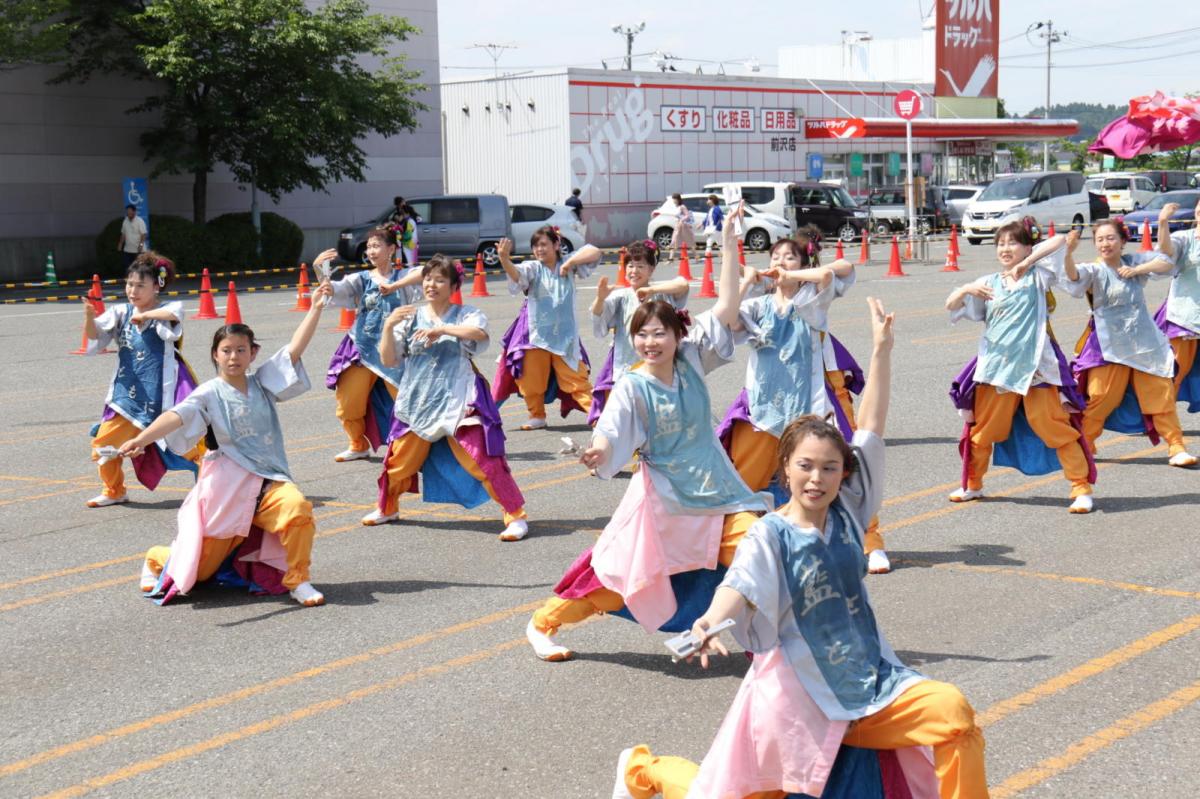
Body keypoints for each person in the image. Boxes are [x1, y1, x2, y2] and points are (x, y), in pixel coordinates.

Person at [612, 298, 990, 799]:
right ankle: (643, 771)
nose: (817, 478)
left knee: (955, 715)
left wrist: (881, 351)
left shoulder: (850, 511)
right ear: (785, 466)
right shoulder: (769, 534)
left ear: (843, 473)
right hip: (797, 699)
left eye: (829, 467)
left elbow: (872, 425)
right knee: (719, 792)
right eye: (806, 466)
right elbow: (738, 589)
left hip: (870, 683)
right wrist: (709, 621)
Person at [525, 204, 768, 662]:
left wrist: (731, 245)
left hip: (716, 488)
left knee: (759, 550)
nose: (649, 342)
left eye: (659, 333)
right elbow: (612, 430)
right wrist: (599, 450)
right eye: (641, 335)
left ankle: (770, 640)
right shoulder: (633, 384)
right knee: (621, 579)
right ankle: (544, 622)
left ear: (677, 335)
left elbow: (728, 304)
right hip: (665, 498)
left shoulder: (693, 359)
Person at [121, 282, 334, 608]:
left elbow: (294, 349)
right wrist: (139, 439)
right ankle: (155, 557)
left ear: (253, 353)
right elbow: (176, 417)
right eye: (226, 350)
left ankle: (299, 580)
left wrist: (317, 307)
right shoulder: (208, 392)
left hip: (268, 481)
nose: (233, 356)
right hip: (226, 488)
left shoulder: (263, 383)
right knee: (200, 569)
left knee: (298, 510)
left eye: (241, 350)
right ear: (215, 355)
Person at [717, 238, 891, 572]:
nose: (782, 262)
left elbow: (834, 273)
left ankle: (871, 544)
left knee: (840, 475)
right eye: (776, 257)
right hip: (762, 410)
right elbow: (727, 321)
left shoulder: (811, 300)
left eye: (790, 258)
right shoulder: (758, 306)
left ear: (803, 264)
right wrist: (747, 281)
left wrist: (795, 276)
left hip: (808, 410)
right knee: (737, 480)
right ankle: (728, 545)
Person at [362, 256, 531, 542]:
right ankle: (387, 507)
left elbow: (478, 334)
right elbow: (389, 359)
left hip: (459, 397)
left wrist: (442, 329)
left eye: (440, 279)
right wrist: (389, 326)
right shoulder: (411, 316)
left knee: (484, 459)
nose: (431, 284)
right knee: (398, 462)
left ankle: (515, 515)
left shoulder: (467, 313)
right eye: (428, 278)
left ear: (453, 285)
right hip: (419, 400)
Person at [945, 220, 1097, 512]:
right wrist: (966, 288)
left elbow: (1061, 240)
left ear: (1028, 247)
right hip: (997, 370)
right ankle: (973, 484)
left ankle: (1080, 487)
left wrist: (1025, 263)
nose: (1005, 249)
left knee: (1054, 427)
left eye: (1012, 242)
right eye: (1001, 244)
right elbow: (952, 306)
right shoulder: (988, 283)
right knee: (984, 432)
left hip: (1036, 369)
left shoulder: (1039, 275)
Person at [1062, 219, 1197, 467]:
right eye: (1100, 239)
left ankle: (1176, 447)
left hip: (1144, 342)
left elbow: (1166, 262)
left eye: (1111, 238)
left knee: (1161, 394)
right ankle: (1086, 444)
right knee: (1101, 397)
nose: (1105, 243)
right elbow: (1073, 277)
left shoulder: (1132, 261)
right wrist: (1068, 253)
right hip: (1108, 345)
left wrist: (1137, 271)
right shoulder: (1094, 270)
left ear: (1123, 241)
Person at [83, 252, 201, 507]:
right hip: (126, 398)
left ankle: (211, 488)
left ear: (156, 286)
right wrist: (89, 319)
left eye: (139, 285)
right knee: (103, 444)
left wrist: (146, 316)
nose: (132, 290)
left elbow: (174, 313)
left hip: (163, 396)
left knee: (193, 446)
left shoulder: (168, 310)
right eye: (129, 284)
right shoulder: (120, 312)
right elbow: (95, 338)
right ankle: (114, 490)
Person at [316, 228, 422, 462]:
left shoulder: (404, 277)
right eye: (369, 247)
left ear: (392, 249)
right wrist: (320, 273)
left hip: (396, 351)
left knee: (407, 402)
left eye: (377, 246)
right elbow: (335, 291)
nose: (371, 251)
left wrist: (395, 286)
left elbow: (428, 273)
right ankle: (357, 444)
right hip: (361, 349)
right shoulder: (361, 279)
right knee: (348, 403)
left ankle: (415, 448)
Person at [493, 226, 601, 430]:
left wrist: (570, 262)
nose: (539, 249)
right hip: (536, 334)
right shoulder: (533, 267)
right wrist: (505, 259)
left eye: (543, 244)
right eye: (535, 246)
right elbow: (517, 276)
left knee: (576, 379)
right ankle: (537, 415)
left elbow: (594, 251)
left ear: (557, 244)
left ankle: (597, 416)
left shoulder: (569, 265)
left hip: (565, 335)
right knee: (531, 380)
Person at [588, 239, 689, 425]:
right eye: (630, 266)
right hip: (627, 365)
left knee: (656, 417)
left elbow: (683, 284)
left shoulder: (661, 293)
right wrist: (600, 299)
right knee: (623, 418)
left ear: (651, 269)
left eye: (640, 266)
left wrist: (651, 289)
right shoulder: (620, 296)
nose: (634, 271)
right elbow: (599, 323)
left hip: (660, 365)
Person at [1153, 199, 1200, 414]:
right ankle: (1158, 416)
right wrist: (1163, 222)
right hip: (1186, 318)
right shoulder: (1185, 239)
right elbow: (1166, 250)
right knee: (1176, 370)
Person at [666, 194, 694, 264]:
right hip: (677, 227)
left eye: (674, 199)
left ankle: (696, 256)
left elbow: (687, 215)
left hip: (683, 227)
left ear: (678, 199)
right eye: (673, 199)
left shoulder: (682, 206)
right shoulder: (676, 207)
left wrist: (682, 219)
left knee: (689, 241)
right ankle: (670, 259)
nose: (674, 200)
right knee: (673, 242)